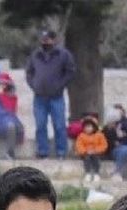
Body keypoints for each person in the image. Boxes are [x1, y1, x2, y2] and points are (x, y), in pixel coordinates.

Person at [25, 29, 76, 159]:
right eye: (43, 39)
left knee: (59, 125)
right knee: (40, 125)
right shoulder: (35, 55)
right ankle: (42, 152)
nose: (44, 42)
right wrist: (34, 85)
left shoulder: (63, 54)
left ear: (53, 40)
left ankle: (61, 152)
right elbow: (29, 72)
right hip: (39, 97)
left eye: (47, 39)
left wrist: (60, 86)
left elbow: (70, 72)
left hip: (56, 96)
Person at [74, 115, 108, 184]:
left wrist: (95, 150)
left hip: (96, 152)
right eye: (86, 127)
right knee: (87, 158)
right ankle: (88, 173)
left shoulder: (99, 135)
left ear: (94, 127)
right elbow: (79, 145)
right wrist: (85, 151)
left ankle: (96, 173)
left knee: (96, 159)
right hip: (85, 153)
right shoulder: (81, 136)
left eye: (89, 127)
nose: (87, 129)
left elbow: (104, 145)